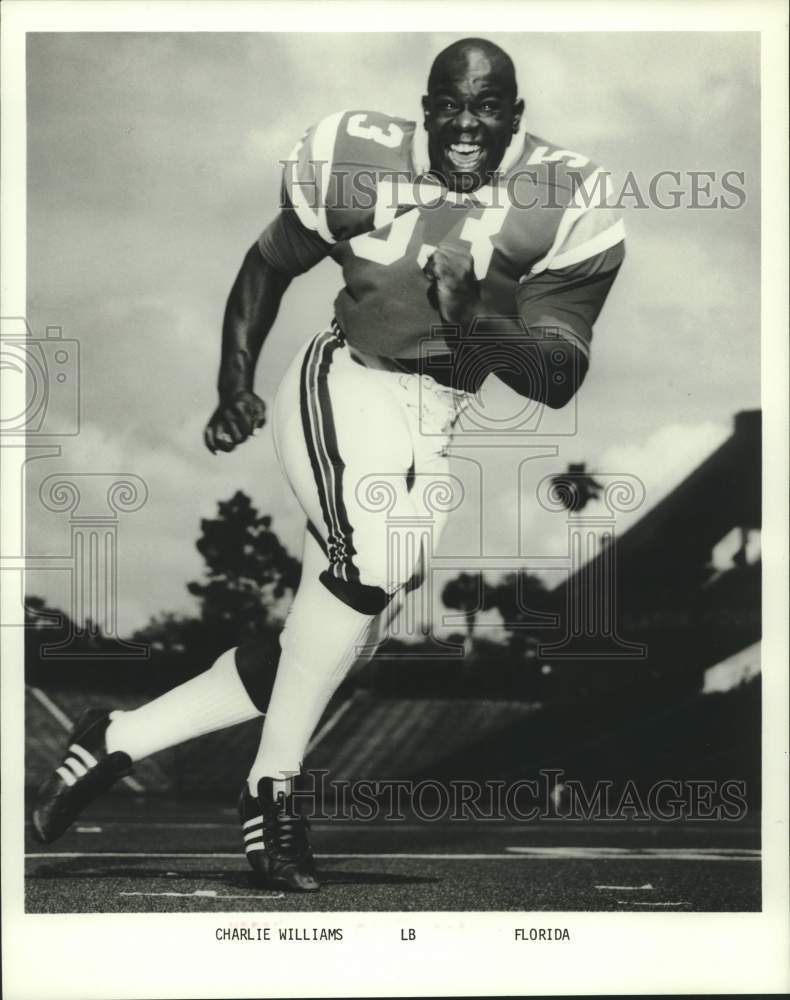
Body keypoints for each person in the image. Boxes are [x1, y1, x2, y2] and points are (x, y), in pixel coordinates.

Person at [32, 37, 625, 892]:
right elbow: (268, 264)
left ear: (516, 116)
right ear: (425, 109)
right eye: (450, 105)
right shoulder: (359, 160)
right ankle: (271, 794)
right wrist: (234, 384)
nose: (466, 125)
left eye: (487, 107)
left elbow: (559, 380)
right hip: (343, 380)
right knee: (376, 564)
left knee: (334, 636)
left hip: (438, 417)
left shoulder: (566, 199)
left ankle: (114, 739)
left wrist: (480, 325)